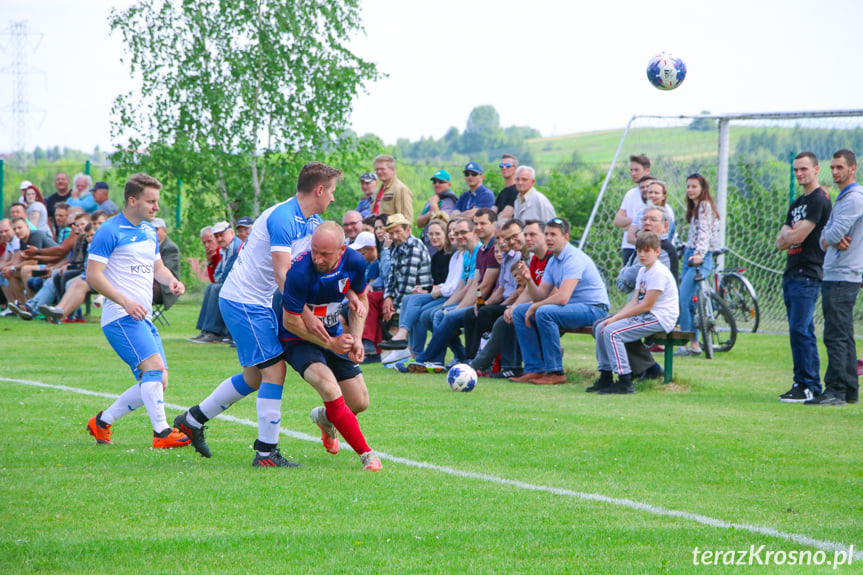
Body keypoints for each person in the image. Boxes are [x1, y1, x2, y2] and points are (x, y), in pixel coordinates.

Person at [173, 161, 340, 467]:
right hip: (245, 302)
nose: (333, 198)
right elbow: (282, 275)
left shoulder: (311, 220)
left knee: (254, 376)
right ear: (319, 189)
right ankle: (266, 453)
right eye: (331, 191)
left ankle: (192, 420)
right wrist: (306, 314)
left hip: (256, 303)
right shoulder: (284, 218)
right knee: (274, 371)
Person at [83, 173, 191, 449]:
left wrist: (172, 281)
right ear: (132, 200)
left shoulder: (147, 231)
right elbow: (94, 277)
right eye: (151, 201)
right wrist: (125, 301)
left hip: (141, 318)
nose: (157, 207)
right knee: (154, 370)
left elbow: (158, 268)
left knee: (159, 380)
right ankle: (162, 433)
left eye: (157, 201)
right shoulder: (109, 231)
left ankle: (102, 422)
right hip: (121, 317)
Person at [280, 222, 382, 471]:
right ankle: (366, 454)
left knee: (359, 402)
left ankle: (326, 419)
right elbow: (290, 322)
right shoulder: (299, 272)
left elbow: (360, 301)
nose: (317, 258)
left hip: (334, 334)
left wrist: (356, 338)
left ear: (341, 249)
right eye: (314, 251)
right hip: (298, 339)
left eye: (325, 254)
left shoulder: (356, 262)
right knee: (328, 386)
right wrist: (331, 343)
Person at [511, 217, 609, 385]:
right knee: (519, 311)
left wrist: (535, 306)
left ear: (566, 237)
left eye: (553, 234)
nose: (549, 238)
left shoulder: (573, 258)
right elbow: (540, 296)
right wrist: (529, 281)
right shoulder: (553, 261)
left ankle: (556, 372)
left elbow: (562, 298)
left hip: (594, 309)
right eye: (547, 234)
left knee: (544, 312)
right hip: (574, 308)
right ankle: (534, 369)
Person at [806, 149, 863, 406]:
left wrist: (828, 237)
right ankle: (850, 390)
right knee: (843, 333)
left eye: (840, 167)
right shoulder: (844, 197)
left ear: (853, 168)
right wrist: (828, 237)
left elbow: (832, 232)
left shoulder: (853, 198)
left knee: (835, 334)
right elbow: (824, 237)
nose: (836, 172)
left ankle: (836, 391)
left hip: (843, 274)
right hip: (838, 272)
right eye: (833, 168)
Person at [774, 152, 832, 403]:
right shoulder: (797, 204)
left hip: (808, 273)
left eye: (804, 169)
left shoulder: (819, 200)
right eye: (796, 170)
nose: (799, 174)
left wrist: (790, 232)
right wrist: (791, 232)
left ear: (816, 169)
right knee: (800, 329)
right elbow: (780, 243)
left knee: (801, 329)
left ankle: (807, 384)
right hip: (791, 272)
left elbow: (795, 238)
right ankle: (805, 383)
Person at [591, 232, 679, 394]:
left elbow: (646, 305)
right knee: (601, 327)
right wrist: (613, 318)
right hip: (646, 314)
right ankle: (605, 376)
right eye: (639, 251)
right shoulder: (642, 272)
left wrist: (615, 321)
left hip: (659, 318)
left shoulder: (658, 272)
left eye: (647, 251)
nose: (642, 255)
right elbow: (634, 302)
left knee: (612, 332)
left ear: (657, 252)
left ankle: (625, 380)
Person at [379, 217, 457, 361]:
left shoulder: (416, 247)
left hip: (445, 295)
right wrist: (388, 297)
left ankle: (410, 347)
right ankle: (408, 347)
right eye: (431, 234)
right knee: (411, 299)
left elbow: (449, 284)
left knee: (414, 302)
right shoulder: (436, 255)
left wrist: (395, 305)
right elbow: (389, 275)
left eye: (437, 234)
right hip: (434, 292)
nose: (433, 237)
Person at [675, 173, 721, 356]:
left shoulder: (704, 206)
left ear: (702, 189)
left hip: (699, 256)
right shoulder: (694, 209)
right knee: (692, 303)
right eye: (688, 186)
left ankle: (684, 342)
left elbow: (705, 233)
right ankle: (695, 344)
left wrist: (700, 254)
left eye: (694, 186)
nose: (690, 190)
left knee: (683, 297)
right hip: (690, 253)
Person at [188, 221, 242, 344]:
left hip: (241, 284)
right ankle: (206, 330)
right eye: (217, 236)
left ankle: (214, 331)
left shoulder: (234, 247)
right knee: (212, 287)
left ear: (231, 233)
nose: (219, 239)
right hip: (231, 282)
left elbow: (226, 273)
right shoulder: (227, 248)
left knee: (216, 288)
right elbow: (218, 273)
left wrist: (218, 277)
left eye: (222, 235)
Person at [614, 154, 652, 265]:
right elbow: (617, 220)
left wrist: (629, 225)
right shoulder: (630, 194)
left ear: (647, 171)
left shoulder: (654, 193)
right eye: (631, 170)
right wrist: (636, 221)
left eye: (636, 170)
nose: (633, 173)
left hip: (647, 247)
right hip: (628, 247)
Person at [416, 169, 458, 255]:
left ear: (449, 184)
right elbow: (419, 223)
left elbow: (444, 222)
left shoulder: (449, 201)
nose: (437, 184)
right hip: (428, 244)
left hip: (441, 246)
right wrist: (428, 215)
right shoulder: (432, 200)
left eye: (440, 181)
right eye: (434, 182)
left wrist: (434, 206)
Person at [151, 217, 181, 314]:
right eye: (152, 230)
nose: (154, 233)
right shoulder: (150, 245)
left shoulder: (170, 248)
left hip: (165, 288)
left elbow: (165, 268)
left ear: (165, 231)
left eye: (156, 229)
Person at [371, 154, 413, 223]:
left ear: (393, 169)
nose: (379, 172)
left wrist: (385, 223)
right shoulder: (377, 191)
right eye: (377, 169)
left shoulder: (400, 189)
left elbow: (405, 218)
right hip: (377, 232)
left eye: (382, 169)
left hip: (391, 232)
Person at [495, 154, 519, 219]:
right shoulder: (502, 192)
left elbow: (506, 215)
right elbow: (492, 213)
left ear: (516, 168)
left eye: (508, 165)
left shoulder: (517, 191)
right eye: (501, 165)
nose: (504, 168)